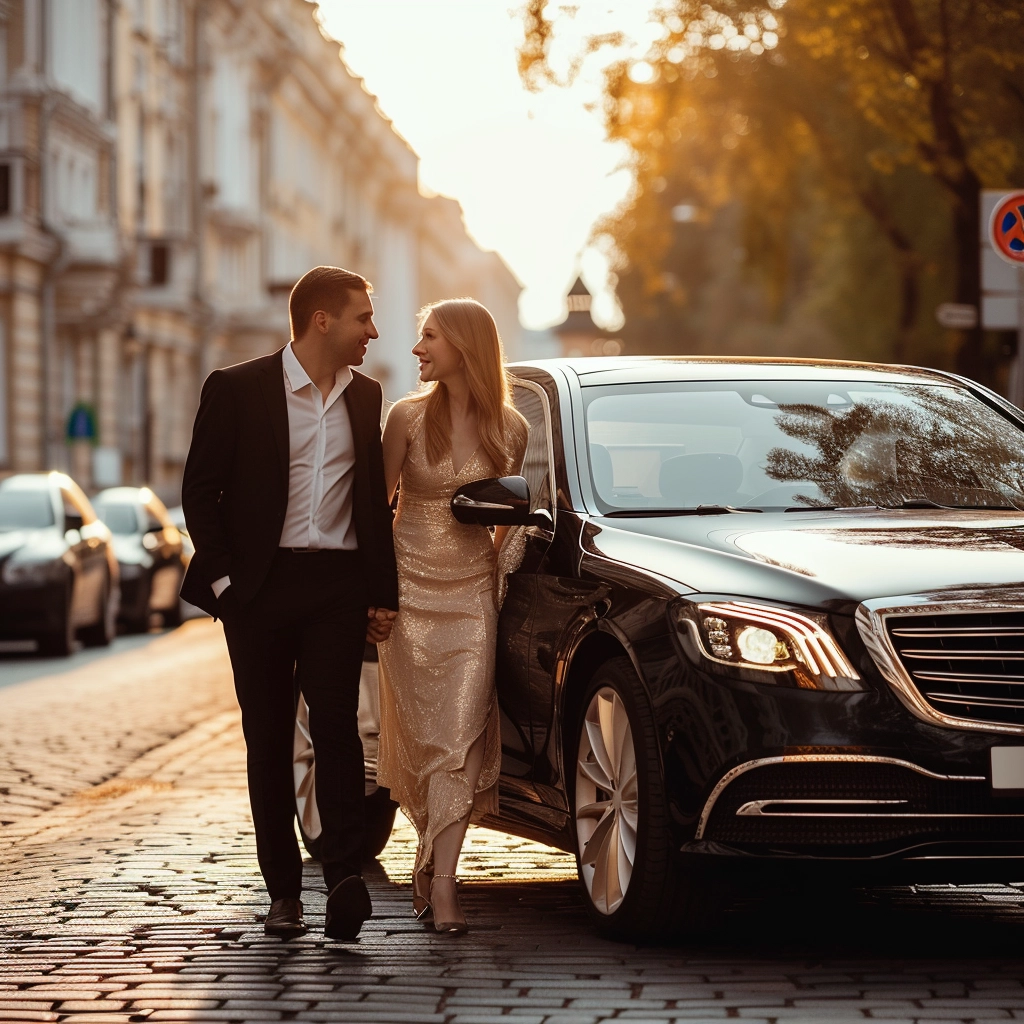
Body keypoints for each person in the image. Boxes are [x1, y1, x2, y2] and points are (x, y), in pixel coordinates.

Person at [180, 266, 398, 942]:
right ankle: (283, 895)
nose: (374, 330)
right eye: (363, 317)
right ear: (322, 320)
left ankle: (342, 878)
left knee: (335, 728)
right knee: (269, 739)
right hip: (259, 591)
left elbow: (371, 504)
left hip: (335, 587)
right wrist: (226, 588)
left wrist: (380, 594)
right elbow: (200, 491)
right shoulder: (238, 388)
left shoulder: (367, 396)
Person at [377, 298, 528, 935]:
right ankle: (429, 854)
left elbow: (511, 520)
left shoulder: (510, 428)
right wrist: (376, 595)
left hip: (471, 600)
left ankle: (444, 884)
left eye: (429, 337)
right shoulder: (405, 418)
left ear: (463, 345)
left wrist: (491, 578)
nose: (417, 350)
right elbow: (376, 510)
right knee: (425, 741)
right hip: (410, 593)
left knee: (461, 737)